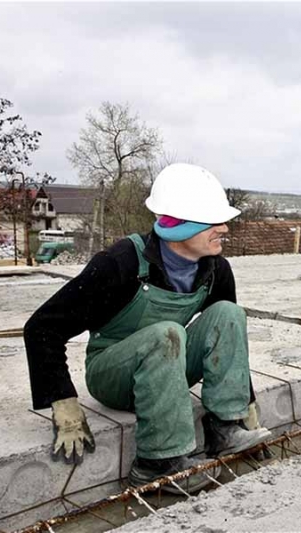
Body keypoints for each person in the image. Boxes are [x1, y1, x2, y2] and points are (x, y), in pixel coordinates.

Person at [24, 163, 271, 494]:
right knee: (168, 332)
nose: (224, 228)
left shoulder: (215, 269)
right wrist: (64, 404)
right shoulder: (121, 262)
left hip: (168, 369)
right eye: (213, 222)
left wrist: (247, 405)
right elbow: (42, 328)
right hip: (113, 376)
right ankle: (155, 463)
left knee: (229, 314)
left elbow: (227, 344)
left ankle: (225, 428)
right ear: (177, 226)